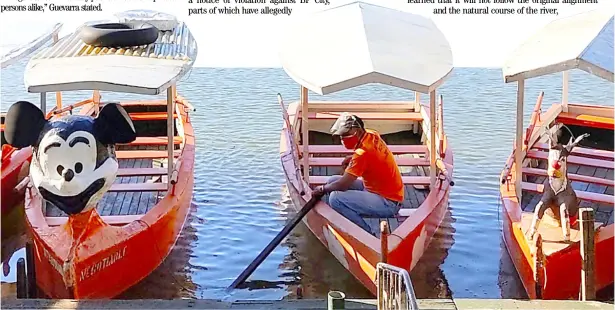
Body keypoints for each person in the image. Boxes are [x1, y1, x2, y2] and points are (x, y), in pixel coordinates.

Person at [312, 113, 404, 234]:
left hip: (388, 202)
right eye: (341, 136)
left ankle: (366, 233)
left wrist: (322, 189)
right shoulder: (371, 135)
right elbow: (373, 156)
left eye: (345, 135)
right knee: (332, 181)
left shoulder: (362, 153)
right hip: (379, 190)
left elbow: (343, 185)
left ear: (358, 131)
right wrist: (352, 158)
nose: (342, 139)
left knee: (335, 198)